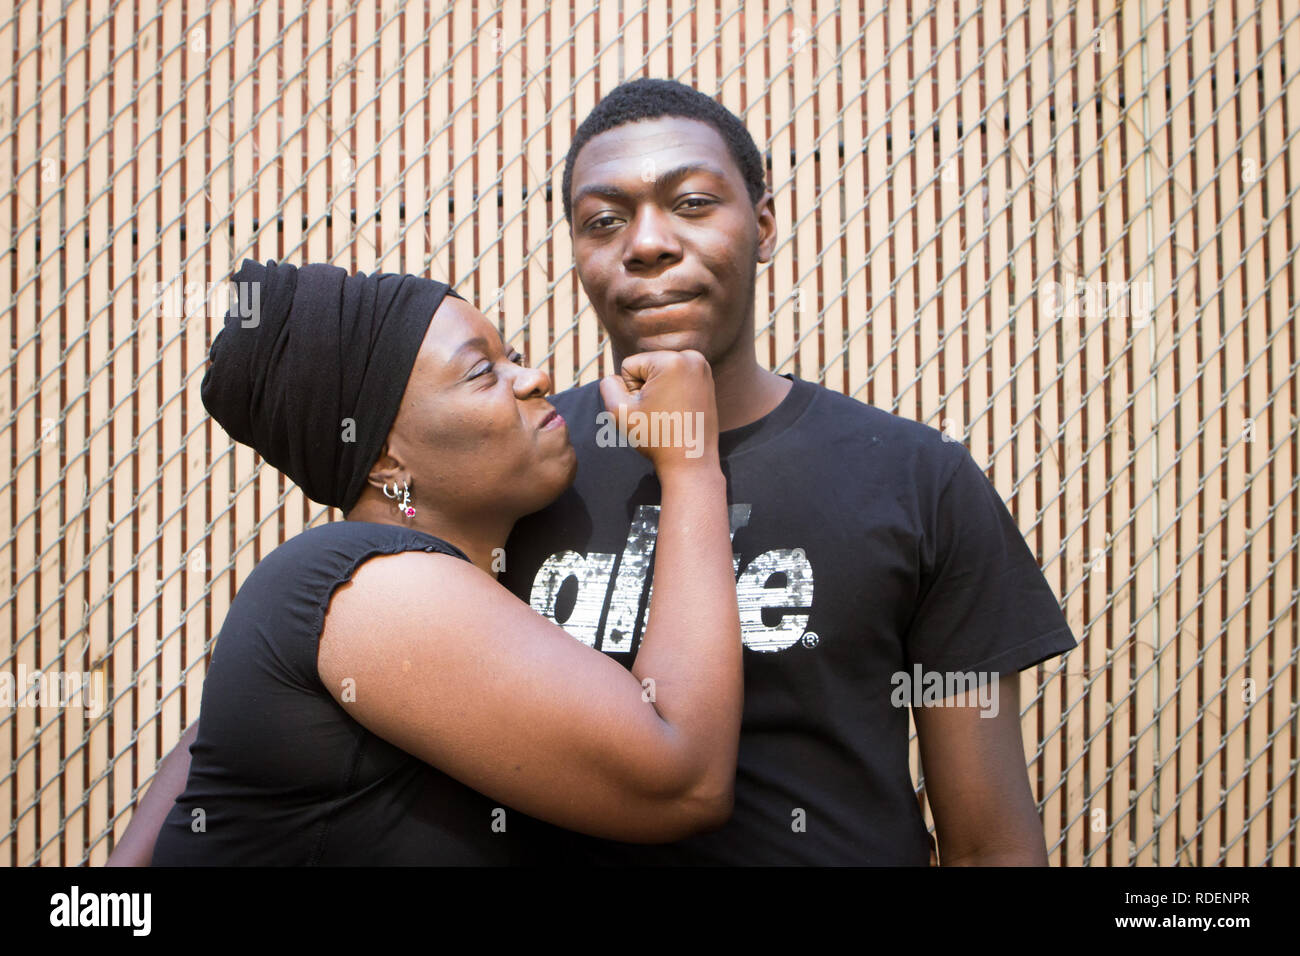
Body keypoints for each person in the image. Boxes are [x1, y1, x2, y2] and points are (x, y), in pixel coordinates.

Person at [115, 77, 1078, 867]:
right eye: (603, 218)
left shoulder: (916, 477)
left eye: (694, 203)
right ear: (579, 253)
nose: (649, 242)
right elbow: (271, 718)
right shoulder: (525, 468)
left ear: (765, 221)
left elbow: (991, 838)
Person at [142, 258, 743, 865]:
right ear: (385, 460)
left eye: (513, 355)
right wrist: (690, 464)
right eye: (483, 372)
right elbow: (685, 784)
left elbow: (203, 757)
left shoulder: (357, 595)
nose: (534, 377)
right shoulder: (370, 586)